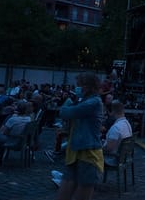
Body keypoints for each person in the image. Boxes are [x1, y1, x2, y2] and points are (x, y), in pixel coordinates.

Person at [56, 72, 104, 200]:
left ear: (88, 86)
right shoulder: (84, 100)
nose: (76, 88)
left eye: (79, 85)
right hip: (75, 152)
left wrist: (67, 103)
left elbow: (66, 112)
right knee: (66, 185)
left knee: (83, 190)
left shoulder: (93, 102)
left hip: (88, 154)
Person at [103, 101, 132, 166]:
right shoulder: (127, 124)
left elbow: (109, 148)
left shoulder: (116, 127)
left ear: (112, 112)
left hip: (113, 158)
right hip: (123, 157)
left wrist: (99, 148)